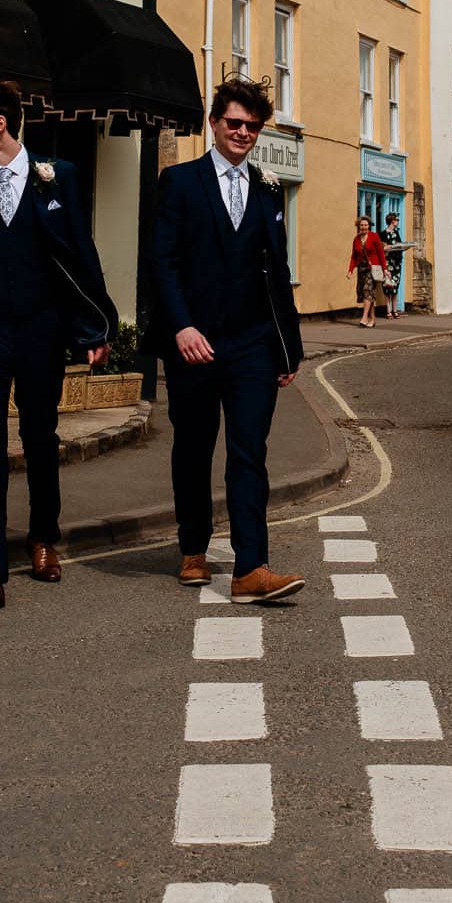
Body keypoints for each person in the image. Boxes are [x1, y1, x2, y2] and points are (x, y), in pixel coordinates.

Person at [0, 79, 116, 621]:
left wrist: (96, 329)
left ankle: (42, 538)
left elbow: (82, 255)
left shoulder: (59, 178)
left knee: (39, 437)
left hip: (42, 332)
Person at [148, 76, 307, 605]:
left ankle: (250, 569)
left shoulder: (268, 189)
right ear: (215, 123)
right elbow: (162, 265)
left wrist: (289, 346)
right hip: (194, 343)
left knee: (249, 454)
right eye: (234, 123)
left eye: (252, 127)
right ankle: (193, 548)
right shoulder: (180, 182)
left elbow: (277, 273)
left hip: (253, 346)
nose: (242, 133)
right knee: (193, 448)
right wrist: (181, 326)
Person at [349, 215, 389, 328]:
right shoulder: (356, 239)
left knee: (367, 290)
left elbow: (381, 253)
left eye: (366, 225)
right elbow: (353, 256)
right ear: (358, 226)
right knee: (367, 294)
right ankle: (373, 319)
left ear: (369, 226)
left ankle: (364, 317)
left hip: (373, 269)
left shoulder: (374, 236)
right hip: (362, 268)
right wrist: (350, 270)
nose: (364, 227)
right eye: (362, 225)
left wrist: (385, 269)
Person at [381, 212, 406, 317]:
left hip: (396, 263)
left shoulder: (396, 233)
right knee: (387, 286)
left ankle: (395, 310)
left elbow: (400, 245)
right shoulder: (383, 233)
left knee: (395, 286)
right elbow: (383, 248)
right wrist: (391, 247)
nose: (398, 222)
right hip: (387, 263)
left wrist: (403, 247)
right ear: (392, 221)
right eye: (397, 220)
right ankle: (388, 311)